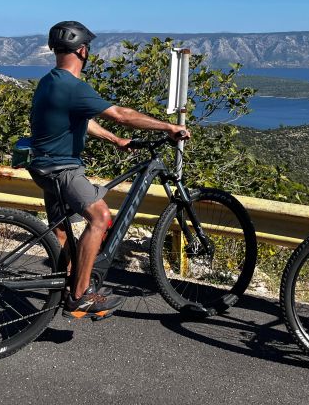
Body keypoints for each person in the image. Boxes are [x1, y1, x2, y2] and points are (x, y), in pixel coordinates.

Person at [28, 21, 189, 318]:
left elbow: (83, 120)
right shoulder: (72, 85)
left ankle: (61, 288)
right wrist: (168, 127)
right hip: (62, 168)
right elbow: (121, 115)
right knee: (100, 217)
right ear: (83, 50)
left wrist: (115, 140)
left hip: (41, 166)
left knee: (63, 233)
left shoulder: (49, 81)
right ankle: (80, 296)